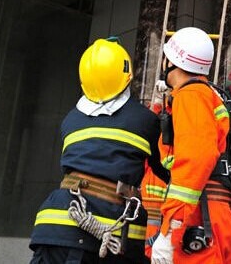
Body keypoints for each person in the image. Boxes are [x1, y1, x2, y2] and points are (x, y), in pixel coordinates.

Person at [29, 38, 168, 264]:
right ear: (127, 75)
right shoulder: (145, 120)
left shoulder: (70, 120)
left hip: (55, 224)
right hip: (106, 235)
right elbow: (166, 170)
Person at [150, 28, 231, 264]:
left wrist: (172, 229)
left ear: (171, 61)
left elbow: (196, 159)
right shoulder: (206, 94)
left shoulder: (191, 96)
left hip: (201, 216)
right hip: (213, 215)